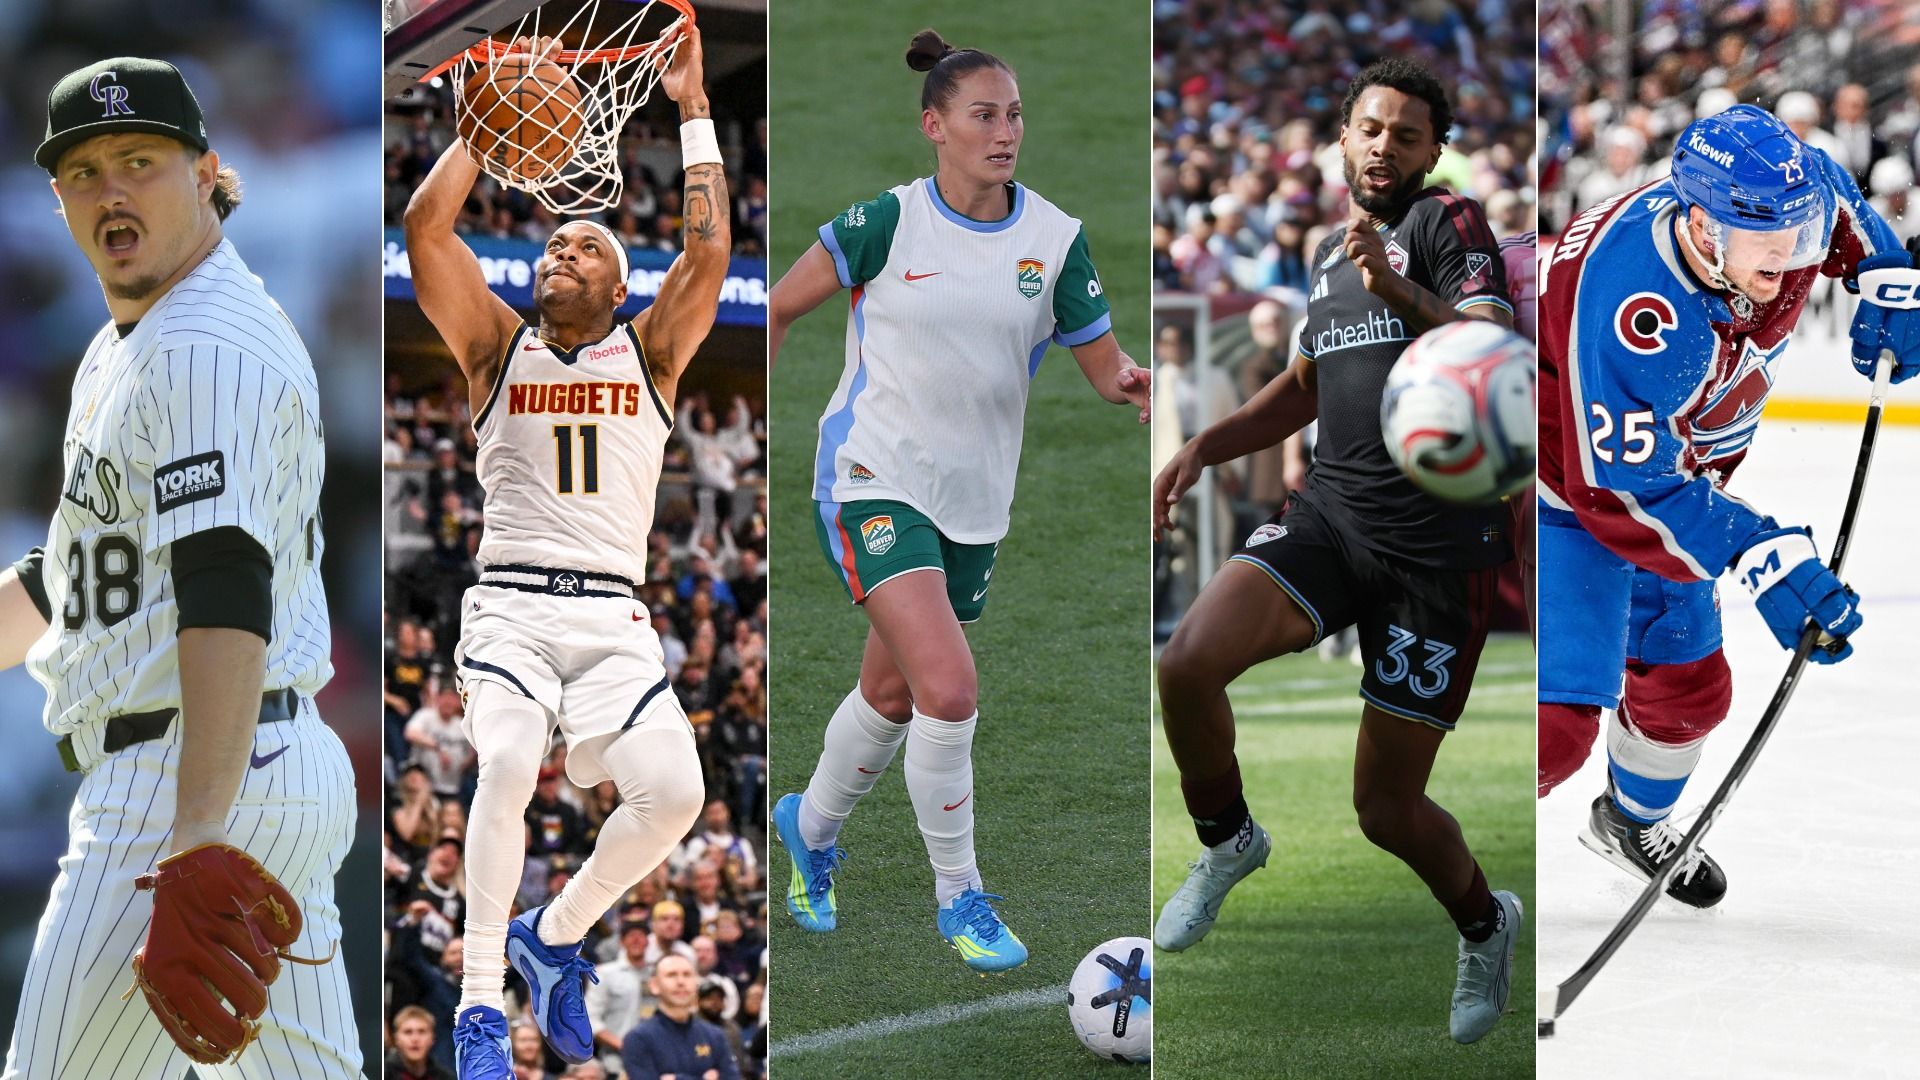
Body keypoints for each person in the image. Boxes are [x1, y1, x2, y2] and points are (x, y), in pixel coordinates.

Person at [0, 56, 360, 1076]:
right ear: (60, 200)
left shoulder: (201, 344)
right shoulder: (132, 345)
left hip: (184, 780)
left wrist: (197, 834)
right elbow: (75, 581)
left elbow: (224, 584)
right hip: (262, 768)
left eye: (141, 159)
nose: (113, 190)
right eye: (85, 171)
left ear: (208, 172)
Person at [1151, 58, 1522, 1044]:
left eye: (1406, 134)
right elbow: (1307, 387)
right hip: (1333, 519)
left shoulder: (1452, 226)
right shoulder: (1327, 250)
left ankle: (1487, 925)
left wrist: (1396, 284)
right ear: (1342, 138)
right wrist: (1203, 445)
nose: (1384, 146)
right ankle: (1229, 841)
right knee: (1186, 664)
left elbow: (1491, 351)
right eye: (1370, 128)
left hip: (1438, 555)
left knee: (1386, 810)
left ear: (1434, 150)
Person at [768, 27, 1149, 974]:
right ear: (934, 126)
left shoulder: (1055, 240)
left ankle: (808, 828)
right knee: (949, 686)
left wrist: (1132, 383)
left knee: (891, 693)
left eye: (1014, 114)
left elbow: (1101, 364)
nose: (1005, 130)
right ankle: (961, 898)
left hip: (974, 502)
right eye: (984, 114)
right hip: (872, 478)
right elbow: (777, 308)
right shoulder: (885, 223)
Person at [402, 27, 728, 1080]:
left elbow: (710, 250)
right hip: (510, 607)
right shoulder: (497, 345)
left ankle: (555, 935)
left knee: (675, 797)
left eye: (584, 246)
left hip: (614, 617)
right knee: (502, 762)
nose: (560, 251)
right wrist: (482, 135)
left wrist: (692, 109)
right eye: (552, 244)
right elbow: (424, 226)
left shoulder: (655, 352)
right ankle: (481, 1003)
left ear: (620, 283)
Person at [1537, 106, 1916, 901]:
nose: (1792, 273)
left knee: (1689, 691)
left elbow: (1832, 191)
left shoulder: (1768, 210)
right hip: (1557, 498)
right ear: (1705, 229)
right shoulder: (1635, 306)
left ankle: (1629, 824)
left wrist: (1885, 271)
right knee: (1554, 732)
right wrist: (1756, 550)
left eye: (1800, 245)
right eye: (1772, 254)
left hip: (1668, 486)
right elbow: (1618, 492)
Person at [621, 955, 741, 1080]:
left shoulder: (715, 1036)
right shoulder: (638, 1039)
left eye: (687, 975)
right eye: (671, 975)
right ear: (654, 985)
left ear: (696, 984)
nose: (681, 982)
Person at [391, 1006, 457, 1080]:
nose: (415, 1039)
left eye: (421, 1031)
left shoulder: (447, 1077)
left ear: (433, 1038)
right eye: (408, 1032)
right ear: (396, 1039)